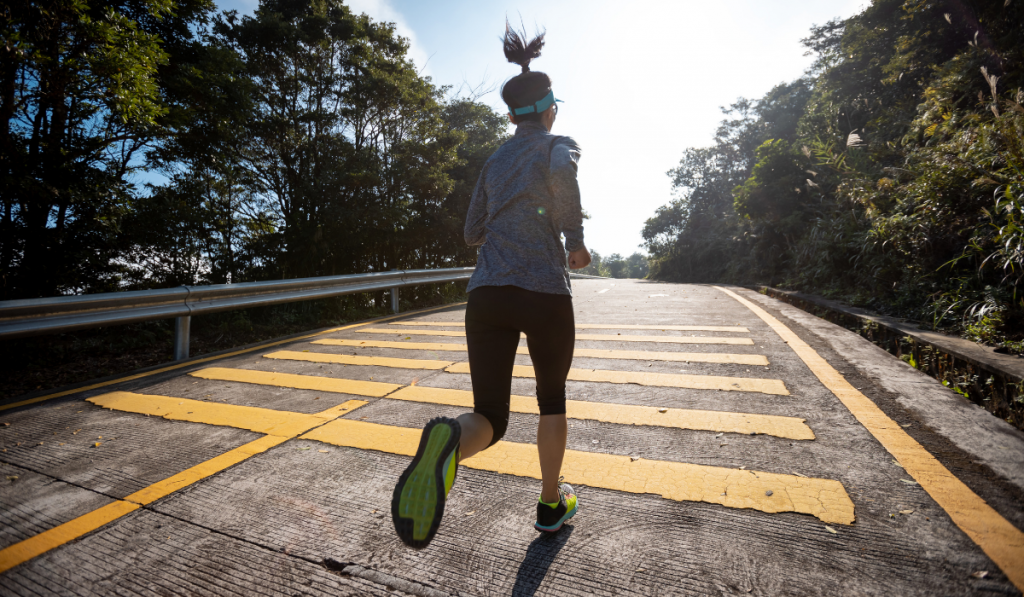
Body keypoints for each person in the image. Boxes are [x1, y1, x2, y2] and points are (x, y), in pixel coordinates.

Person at [391, 22, 591, 550]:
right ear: (550, 109)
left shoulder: (494, 160)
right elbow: (563, 179)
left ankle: (451, 442)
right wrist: (574, 239)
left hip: (486, 296)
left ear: (509, 116)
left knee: (490, 416)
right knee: (551, 399)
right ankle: (551, 504)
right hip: (545, 292)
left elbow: (470, 232)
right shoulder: (558, 144)